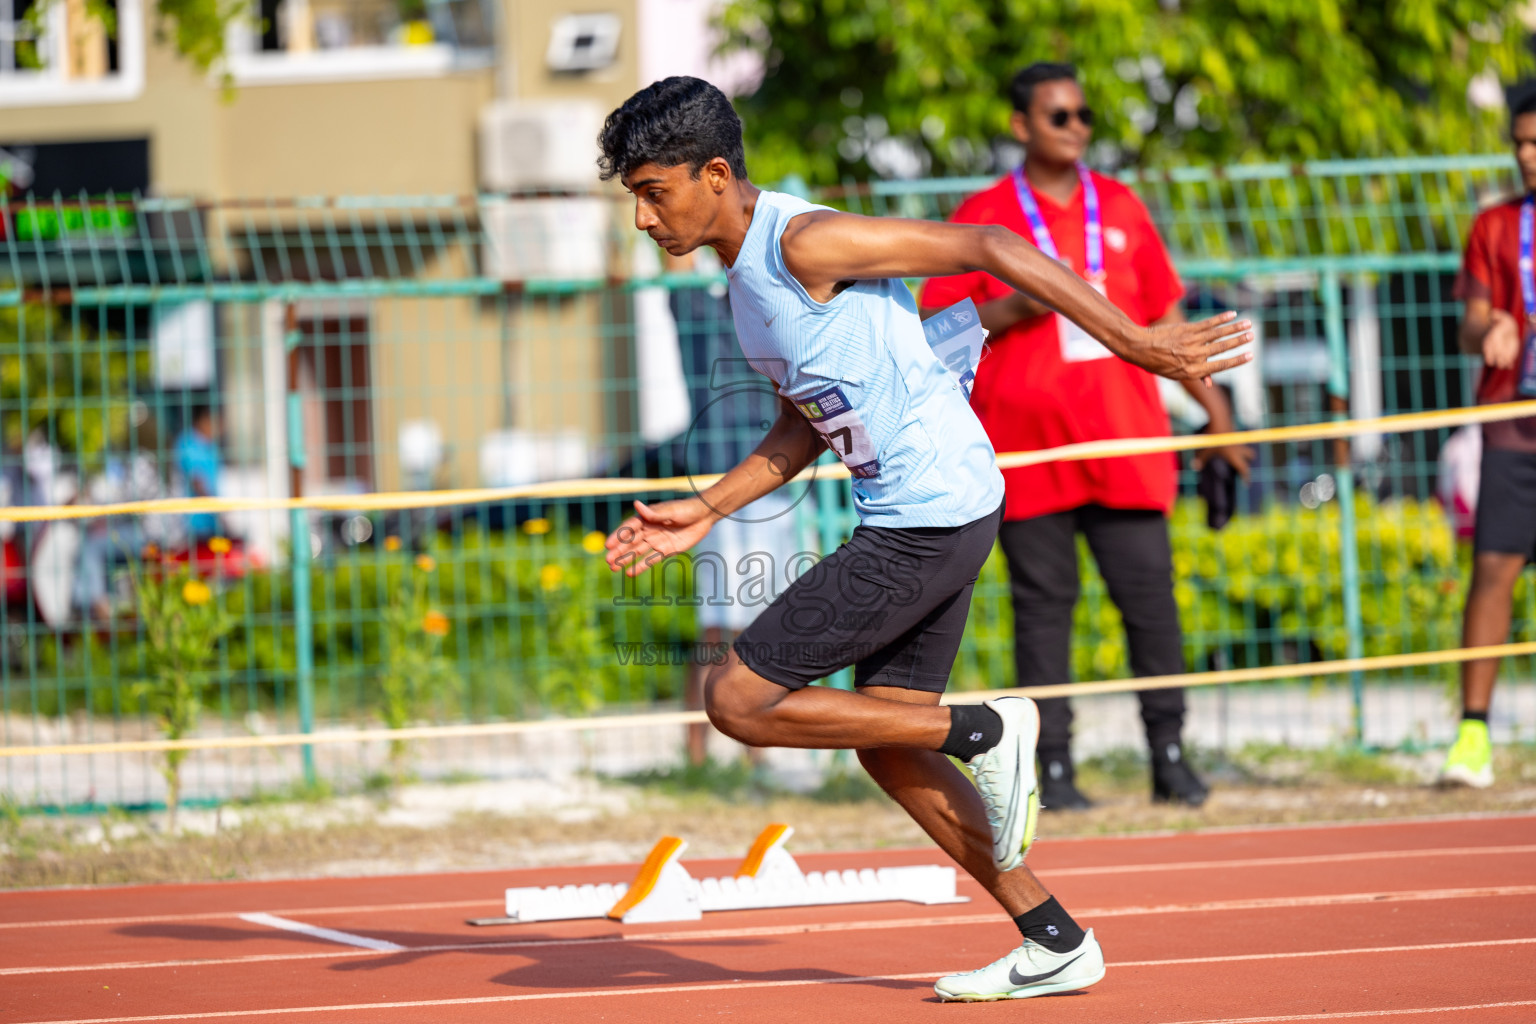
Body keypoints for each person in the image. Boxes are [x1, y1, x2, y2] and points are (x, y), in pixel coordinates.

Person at [598, 77, 1252, 1002]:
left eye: (652, 191)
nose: (641, 216)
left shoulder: (805, 242)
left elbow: (992, 246)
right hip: (931, 508)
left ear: (714, 173)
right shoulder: (745, 283)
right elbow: (803, 427)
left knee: (738, 698)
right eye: (631, 194)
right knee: (887, 740)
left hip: (927, 513)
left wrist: (1142, 345)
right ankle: (1053, 936)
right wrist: (706, 509)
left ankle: (986, 729)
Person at [919, 63, 1253, 811]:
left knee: (1150, 606)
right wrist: (1020, 302)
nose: (1075, 126)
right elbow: (936, 329)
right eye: (1057, 115)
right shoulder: (984, 216)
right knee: (1043, 612)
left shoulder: (1123, 206)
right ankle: (1056, 769)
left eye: (1082, 113)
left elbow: (1166, 330)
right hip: (1026, 450)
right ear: (1021, 126)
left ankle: (1169, 755)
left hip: (1129, 443)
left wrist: (1219, 422)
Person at [668, 248, 804, 767]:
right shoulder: (696, 311)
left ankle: (753, 751)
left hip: (775, 480)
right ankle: (698, 754)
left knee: (762, 624)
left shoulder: (769, 307)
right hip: (720, 481)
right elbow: (676, 269)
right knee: (717, 627)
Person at [1439, 89, 1536, 788]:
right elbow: (1467, 324)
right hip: (1511, 420)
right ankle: (1473, 735)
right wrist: (1492, 328)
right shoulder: (1496, 224)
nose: (1528, 156)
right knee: (1494, 569)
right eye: (1520, 143)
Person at [173, 405, 223, 545]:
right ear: (203, 420)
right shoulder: (188, 443)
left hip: (210, 520)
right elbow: (197, 482)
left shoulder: (209, 445)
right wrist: (218, 512)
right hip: (194, 522)